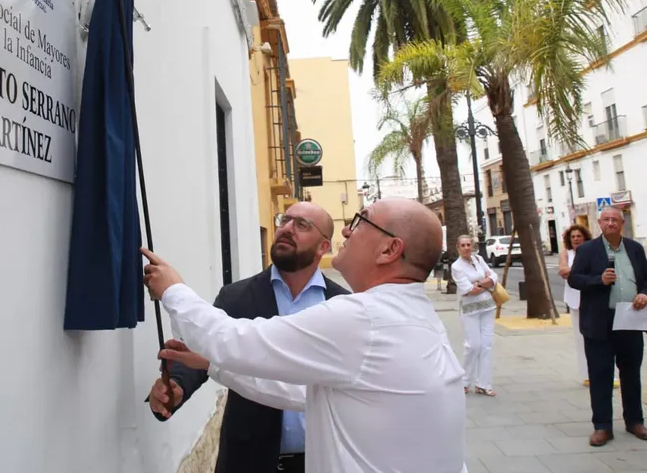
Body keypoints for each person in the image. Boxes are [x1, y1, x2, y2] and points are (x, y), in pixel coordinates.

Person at [142, 198, 467, 473]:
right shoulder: (415, 317)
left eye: (361, 221)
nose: (346, 230)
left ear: (389, 249)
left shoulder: (361, 317)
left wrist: (172, 289)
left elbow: (232, 338)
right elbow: (303, 392)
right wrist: (212, 366)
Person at [144, 202, 348, 473]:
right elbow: (206, 347)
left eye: (301, 225)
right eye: (284, 220)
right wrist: (178, 385)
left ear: (324, 246)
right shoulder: (237, 296)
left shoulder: (343, 306)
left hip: (324, 461)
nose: (286, 229)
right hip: (249, 459)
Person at [569, 207, 647, 447]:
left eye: (614, 220)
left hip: (630, 319)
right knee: (600, 375)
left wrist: (646, 295)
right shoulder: (588, 250)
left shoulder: (635, 248)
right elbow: (574, 279)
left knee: (630, 373)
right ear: (599, 223)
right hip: (599, 322)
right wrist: (599, 280)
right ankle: (602, 427)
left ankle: (635, 421)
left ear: (622, 224)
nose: (610, 223)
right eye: (606, 220)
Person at [450, 235, 498, 397]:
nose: (466, 248)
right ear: (458, 247)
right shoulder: (456, 267)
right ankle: (464, 381)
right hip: (470, 310)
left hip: (488, 306)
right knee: (473, 345)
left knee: (486, 345)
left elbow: (493, 277)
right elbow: (469, 290)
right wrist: (485, 283)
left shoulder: (478, 259)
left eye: (468, 244)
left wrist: (481, 283)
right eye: (463, 245)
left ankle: (483, 384)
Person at [559, 224, 592, 387]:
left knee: (600, 337)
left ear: (585, 237)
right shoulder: (566, 253)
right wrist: (581, 273)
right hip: (574, 299)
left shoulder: (594, 252)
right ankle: (586, 374)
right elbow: (563, 271)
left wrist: (573, 272)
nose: (576, 239)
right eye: (573, 237)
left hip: (593, 298)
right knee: (580, 338)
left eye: (579, 236)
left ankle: (608, 373)